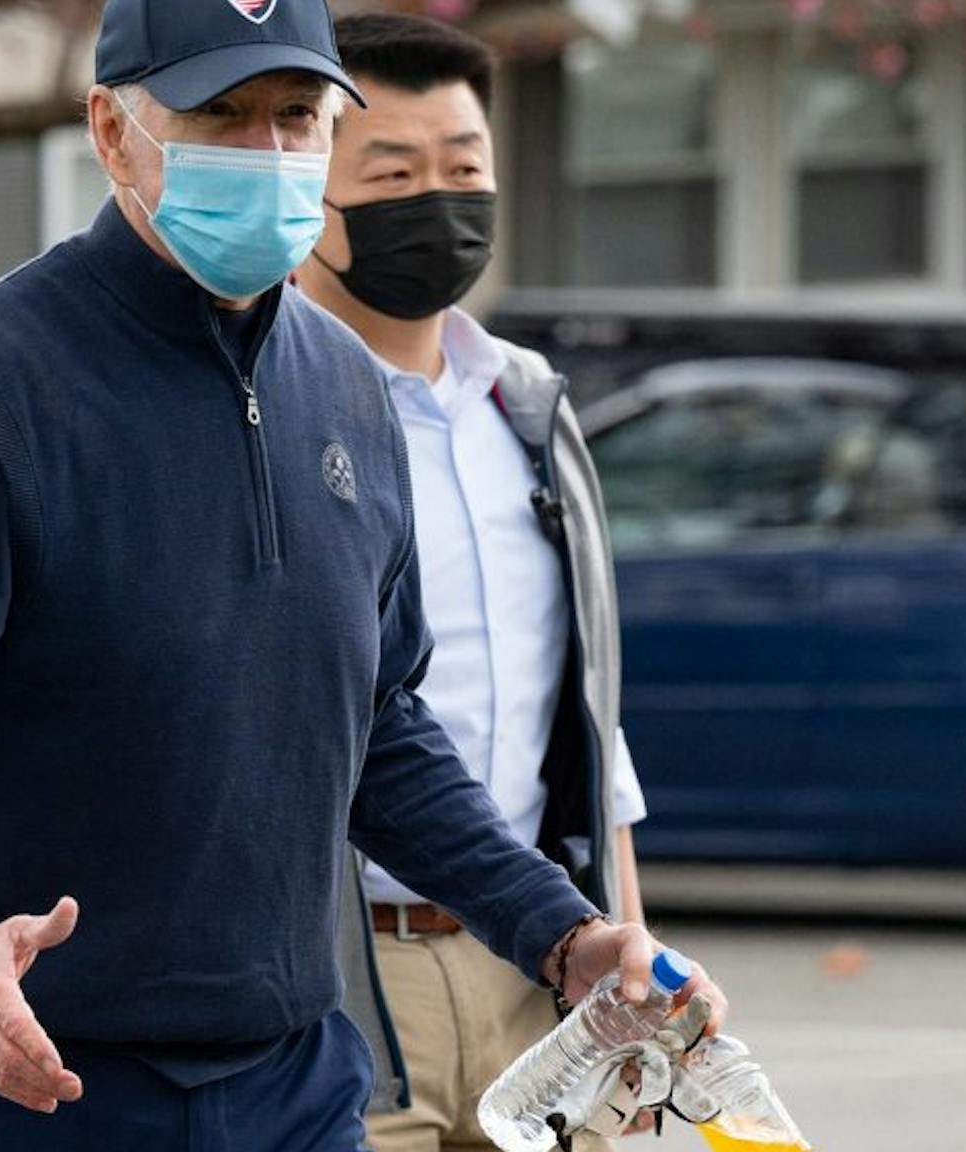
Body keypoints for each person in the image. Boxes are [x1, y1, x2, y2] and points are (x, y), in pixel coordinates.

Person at [0, 0, 725, 1145]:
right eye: (221, 116)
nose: (268, 154)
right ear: (113, 133)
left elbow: (379, 727)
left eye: (296, 116)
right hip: (18, 1086)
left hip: (291, 1083)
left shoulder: (346, 388)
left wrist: (562, 933)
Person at [293, 15, 653, 1151]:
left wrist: (625, 948)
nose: (436, 201)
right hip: (341, 974)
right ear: (303, 184)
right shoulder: (259, 412)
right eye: (391, 174)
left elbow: (589, 723)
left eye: (463, 168)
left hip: (542, 966)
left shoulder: (530, 412)